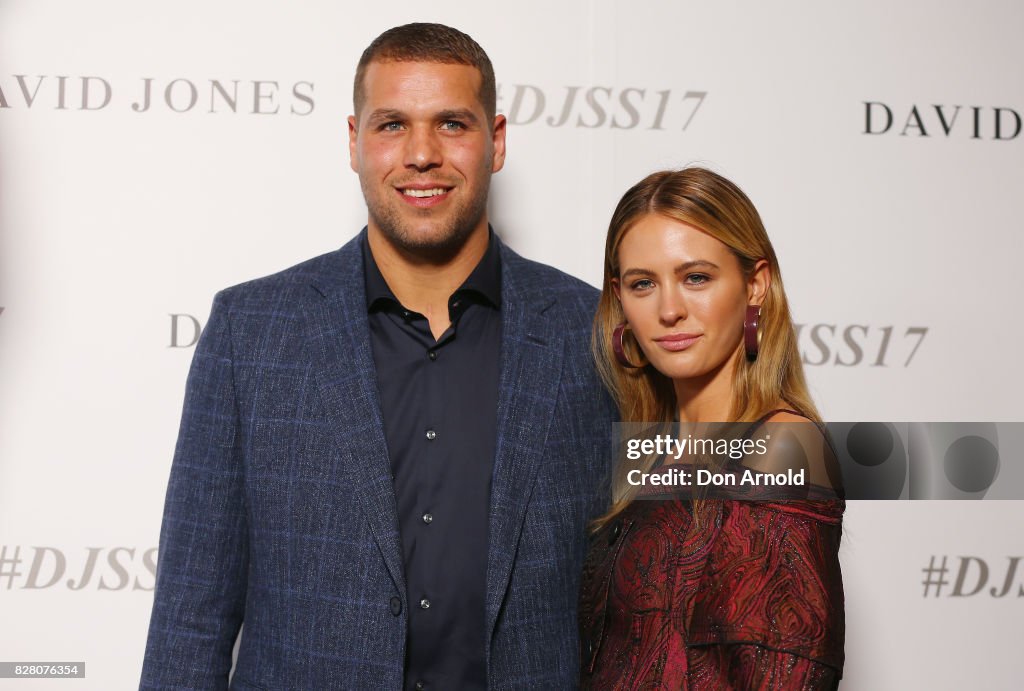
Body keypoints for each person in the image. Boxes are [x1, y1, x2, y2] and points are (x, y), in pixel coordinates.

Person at [141, 23, 614, 690]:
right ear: (355, 142)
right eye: (392, 125)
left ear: (497, 141)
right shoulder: (252, 332)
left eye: (452, 123)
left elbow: (638, 599)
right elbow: (192, 612)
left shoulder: (591, 332)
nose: (421, 154)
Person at [579, 167, 845, 689]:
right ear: (620, 299)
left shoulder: (781, 446)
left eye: (696, 277)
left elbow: (783, 676)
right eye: (643, 284)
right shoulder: (650, 454)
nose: (669, 310)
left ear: (755, 284)